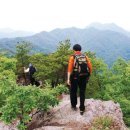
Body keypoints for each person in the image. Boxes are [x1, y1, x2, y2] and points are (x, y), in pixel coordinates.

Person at [67, 44, 92, 115]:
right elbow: (90, 67)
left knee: (73, 91)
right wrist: (88, 76)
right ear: (80, 50)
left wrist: (68, 79)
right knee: (82, 92)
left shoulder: (73, 57)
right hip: (84, 76)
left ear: (74, 50)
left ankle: (74, 106)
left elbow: (69, 69)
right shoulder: (85, 56)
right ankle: (82, 109)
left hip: (75, 76)